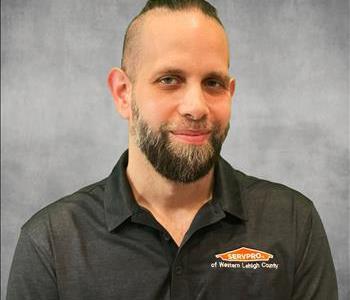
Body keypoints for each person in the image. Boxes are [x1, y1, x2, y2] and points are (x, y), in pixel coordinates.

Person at [7, 0, 338, 299]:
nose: (196, 107)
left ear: (230, 92)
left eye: (213, 83)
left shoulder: (294, 224)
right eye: (169, 80)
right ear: (123, 93)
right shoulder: (51, 243)